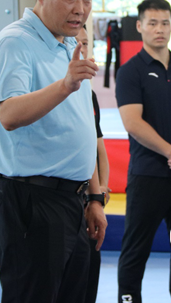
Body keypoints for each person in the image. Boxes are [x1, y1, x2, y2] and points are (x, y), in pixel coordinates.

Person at [0, 0, 107, 303]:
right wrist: (65, 85)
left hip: (75, 200)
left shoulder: (70, 44)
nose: (80, 9)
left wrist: (94, 197)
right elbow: (9, 114)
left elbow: (83, 130)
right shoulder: (15, 41)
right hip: (33, 200)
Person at [115, 0, 171, 303]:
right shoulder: (130, 72)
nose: (159, 29)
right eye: (152, 23)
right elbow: (132, 122)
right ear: (140, 26)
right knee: (135, 252)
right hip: (148, 176)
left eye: (165, 23)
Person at [75, 25, 112, 303]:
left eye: (86, 44)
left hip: (88, 199)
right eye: (76, 44)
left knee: (88, 273)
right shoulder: (52, 90)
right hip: (62, 197)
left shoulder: (89, 94)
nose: (82, 50)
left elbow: (97, 147)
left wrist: (99, 192)